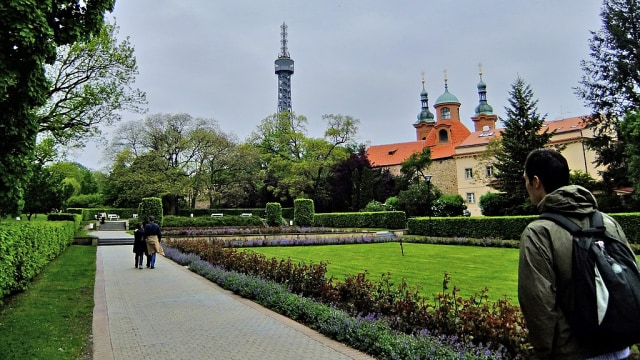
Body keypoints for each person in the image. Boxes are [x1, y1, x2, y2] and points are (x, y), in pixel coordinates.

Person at [518, 148, 632, 359]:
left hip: (574, 351)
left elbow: (539, 305)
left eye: (525, 180)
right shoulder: (607, 222)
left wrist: (543, 353)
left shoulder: (539, 232)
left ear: (535, 181)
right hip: (621, 346)